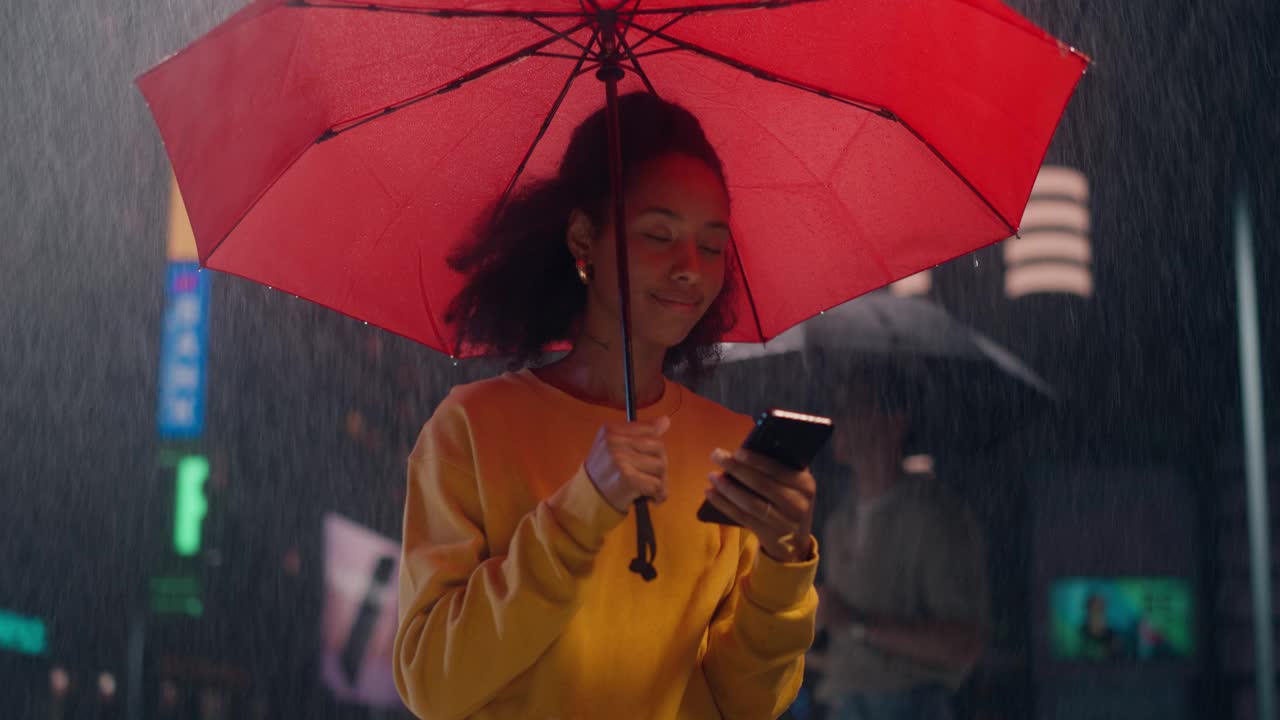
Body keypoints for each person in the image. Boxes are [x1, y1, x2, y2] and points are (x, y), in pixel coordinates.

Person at [393, 92, 820, 720]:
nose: (689, 269)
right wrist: (580, 510)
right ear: (582, 238)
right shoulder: (473, 428)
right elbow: (433, 684)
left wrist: (786, 563)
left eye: (711, 245)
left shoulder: (727, 450)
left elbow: (746, 702)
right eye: (658, 234)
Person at [810, 378, 988, 720]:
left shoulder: (936, 516)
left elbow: (964, 642)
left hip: (908, 706)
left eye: (856, 408)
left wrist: (855, 622)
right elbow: (850, 648)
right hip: (844, 705)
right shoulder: (838, 524)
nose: (840, 419)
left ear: (896, 421)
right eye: (839, 408)